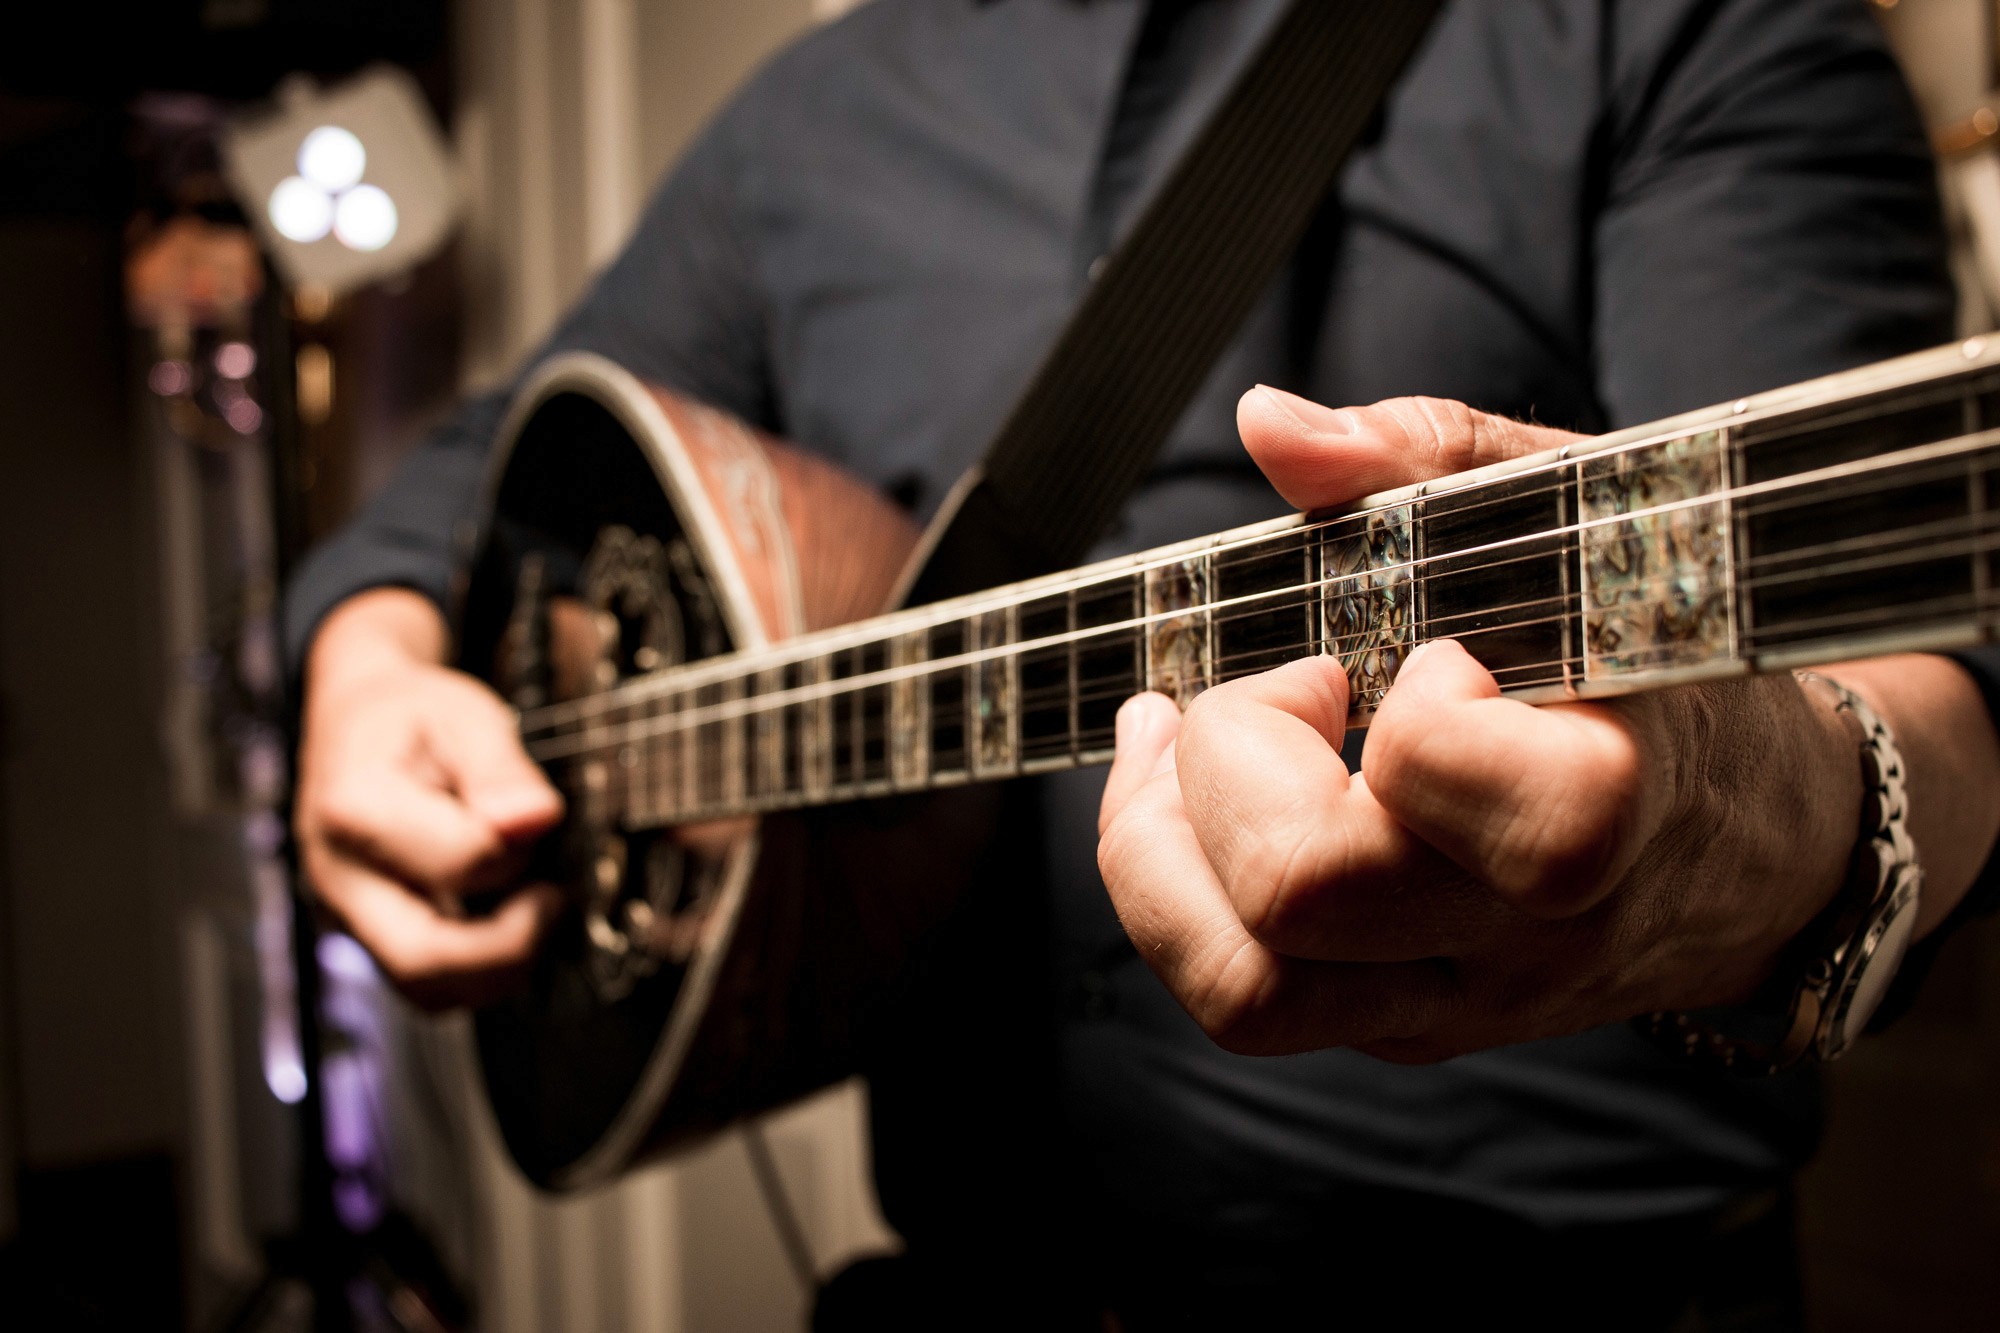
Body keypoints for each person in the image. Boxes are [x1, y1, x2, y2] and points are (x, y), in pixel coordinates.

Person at [287, 0, 2000, 1326]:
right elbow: (485, 458)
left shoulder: (1679, 20)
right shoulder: (815, 116)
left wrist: (1760, 806)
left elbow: (1924, 664)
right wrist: (366, 656)